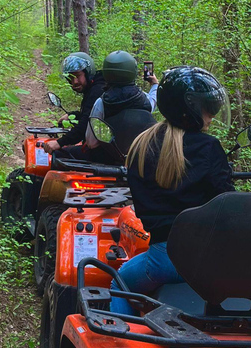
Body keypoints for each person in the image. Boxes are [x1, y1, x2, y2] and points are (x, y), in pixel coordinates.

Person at [110, 66, 235, 315]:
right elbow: (227, 203)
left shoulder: (141, 146)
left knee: (119, 282)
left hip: (162, 260)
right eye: (206, 108)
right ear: (188, 108)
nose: (211, 115)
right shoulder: (208, 148)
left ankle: (120, 342)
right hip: (207, 261)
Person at [82, 51, 158, 163]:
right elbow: (153, 100)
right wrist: (155, 84)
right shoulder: (143, 100)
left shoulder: (101, 103)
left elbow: (91, 142)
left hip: (108, 162)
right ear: (132, 71)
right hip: (140, 162)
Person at [43, 51, 105, 157]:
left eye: (77, 76)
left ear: (88, 72)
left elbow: (86, 124)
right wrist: (74, 115)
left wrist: (60, 142)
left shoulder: (97, 90)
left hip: (102, 151)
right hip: (109, 147)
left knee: (58, 155)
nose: (74, 82)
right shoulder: (99, 86)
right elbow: (94, 115)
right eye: (70, 78)